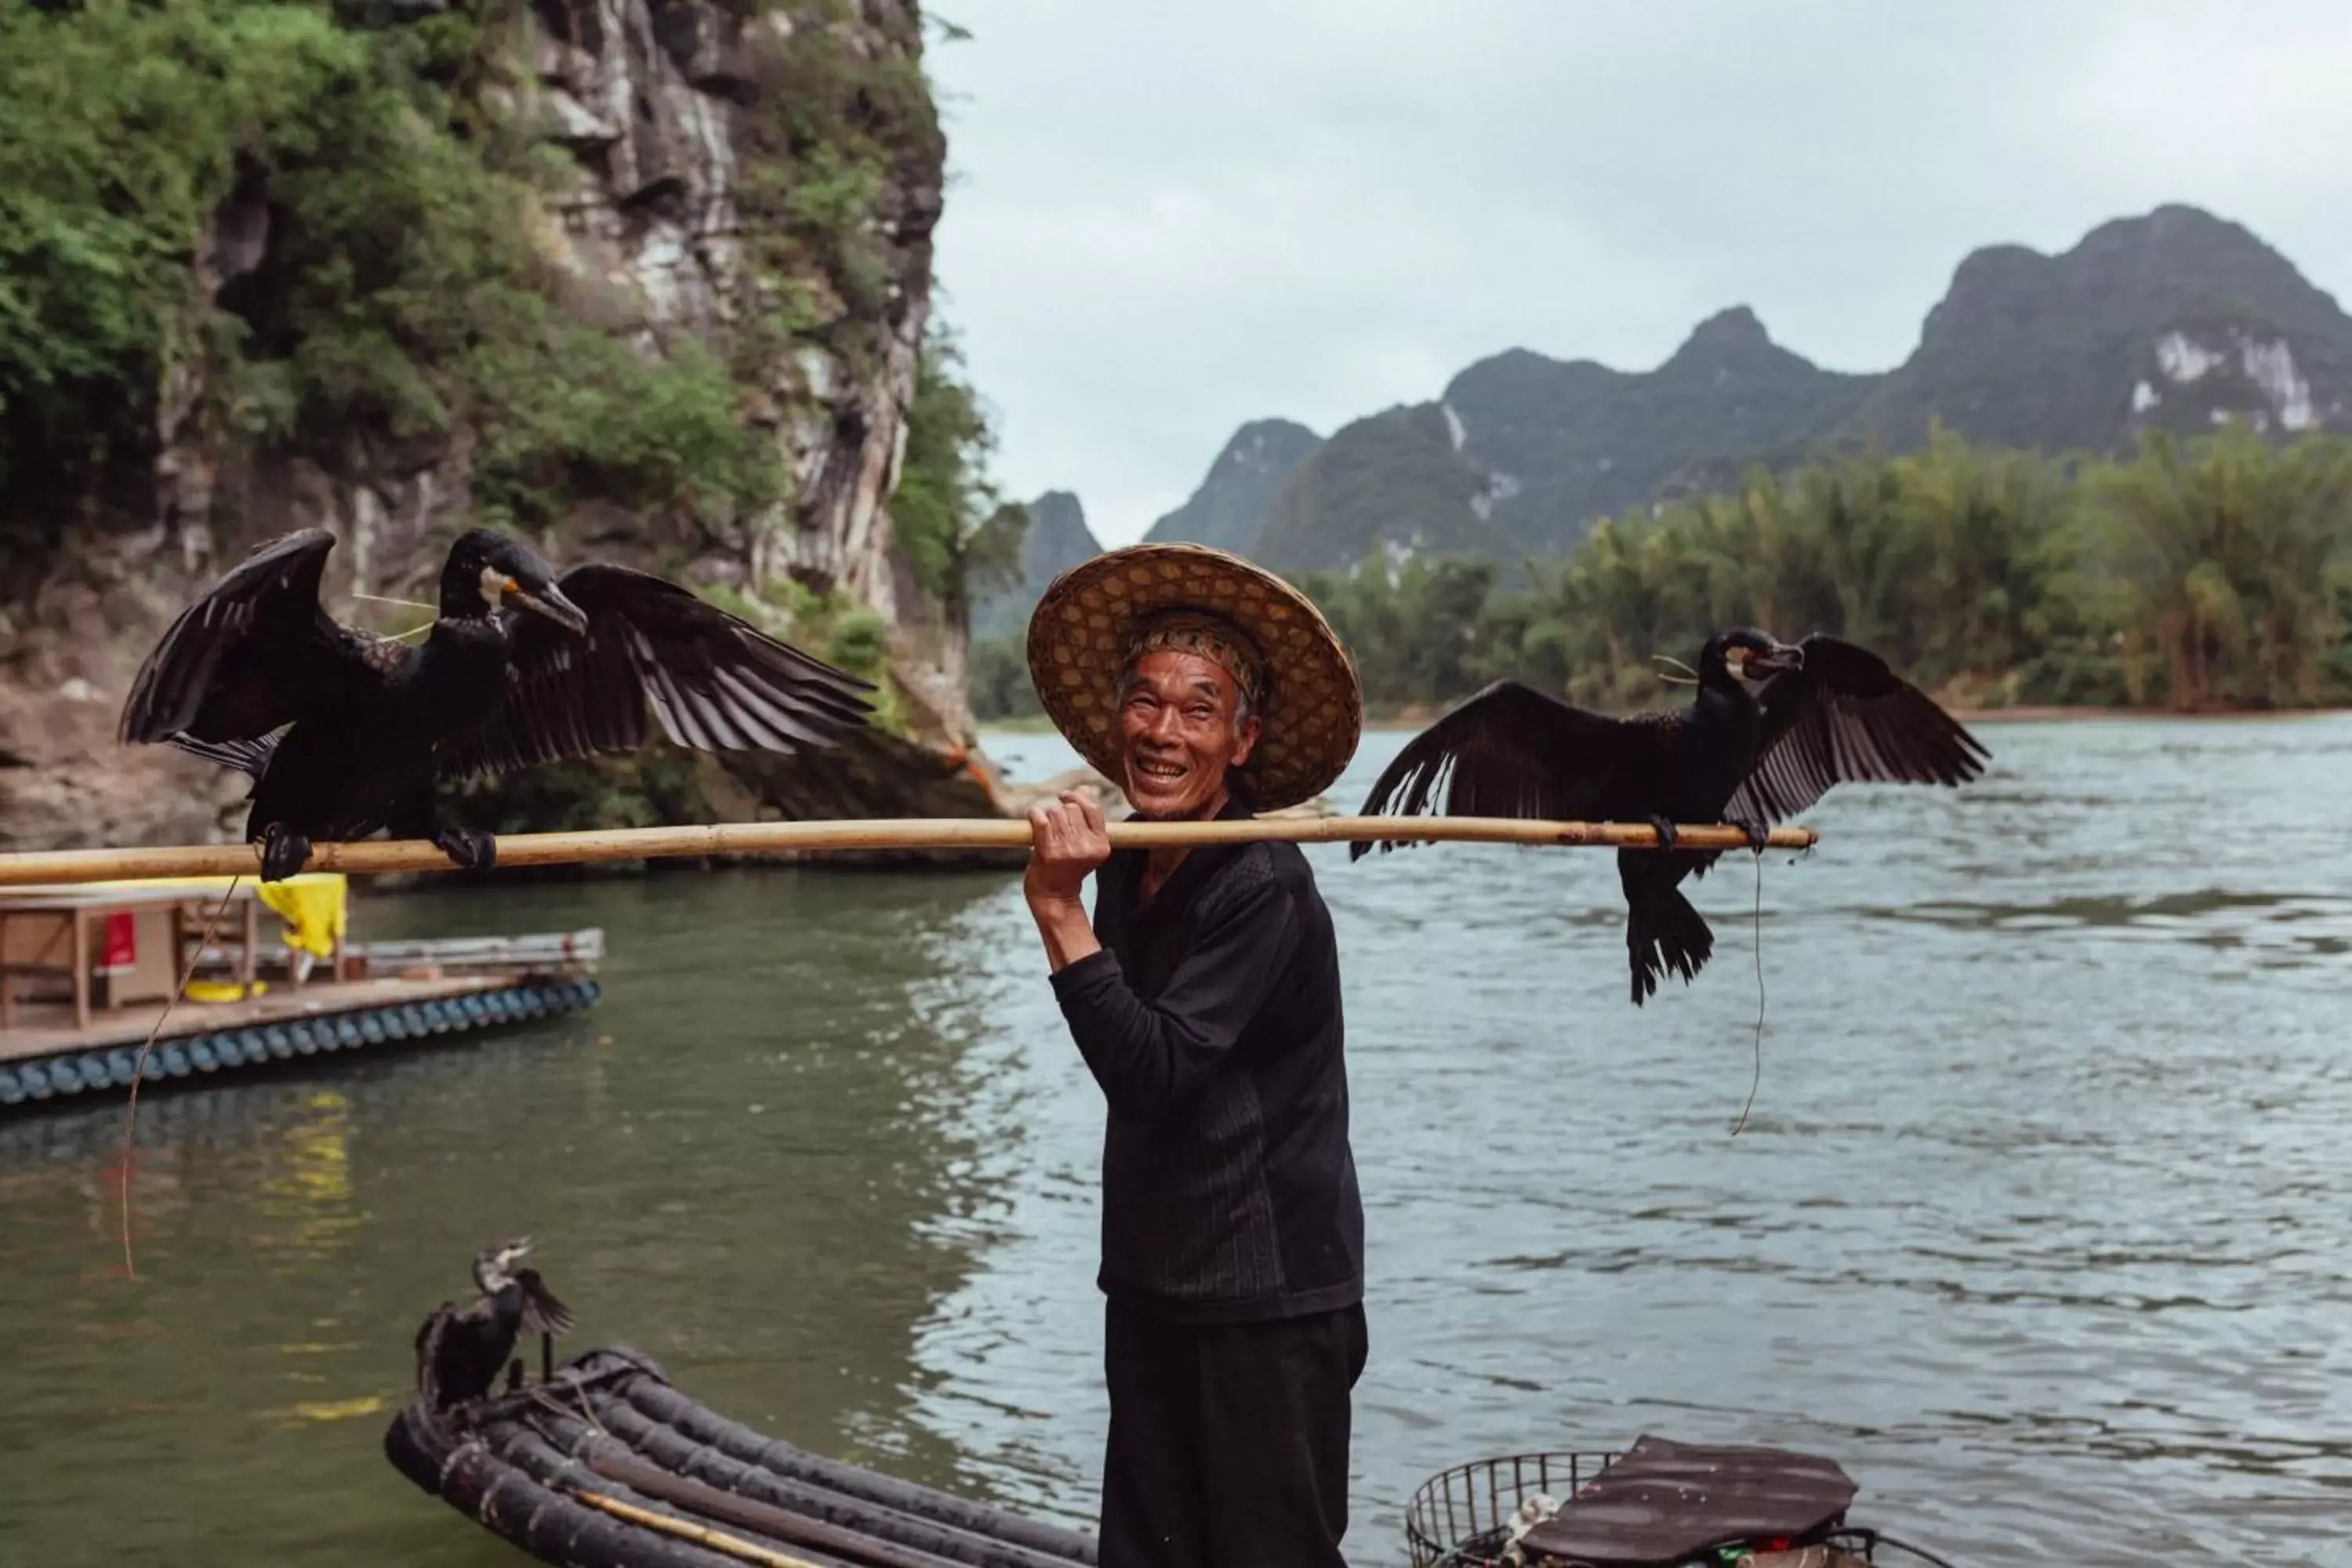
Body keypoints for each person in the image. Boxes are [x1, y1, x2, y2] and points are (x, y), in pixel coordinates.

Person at [1019, 543, 1370, 1568]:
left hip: (1266, 1302)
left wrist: (1054, 909)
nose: (1162, 733)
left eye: (1198, 709)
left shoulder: (1259, 880)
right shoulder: (1130, 864)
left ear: (1242, 739)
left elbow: (1155, 1074)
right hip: (1156, 1281)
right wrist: (1083, 896)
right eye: (1145, 702)